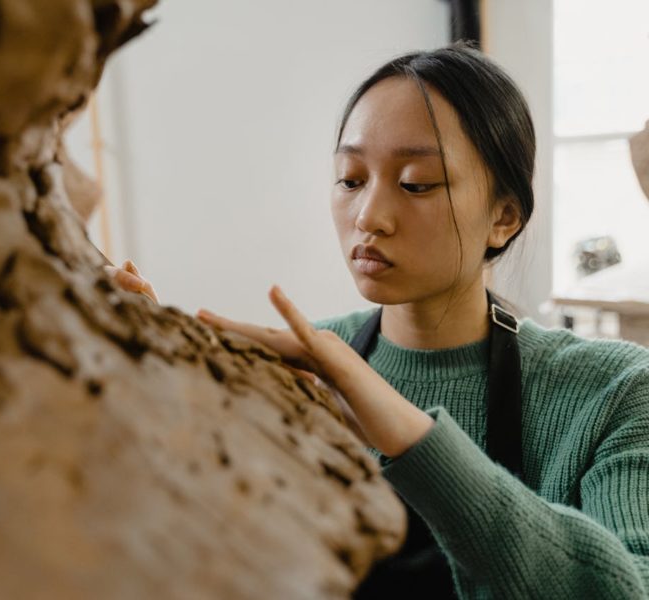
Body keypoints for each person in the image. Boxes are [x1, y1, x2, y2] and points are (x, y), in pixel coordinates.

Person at [106, 44, 649, 599]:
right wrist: (155, 381)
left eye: (416, 183)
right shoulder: (301, 369)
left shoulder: (616, 389)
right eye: (350, 179)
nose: (368, 217)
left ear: (503, 217)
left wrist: (410, 436)